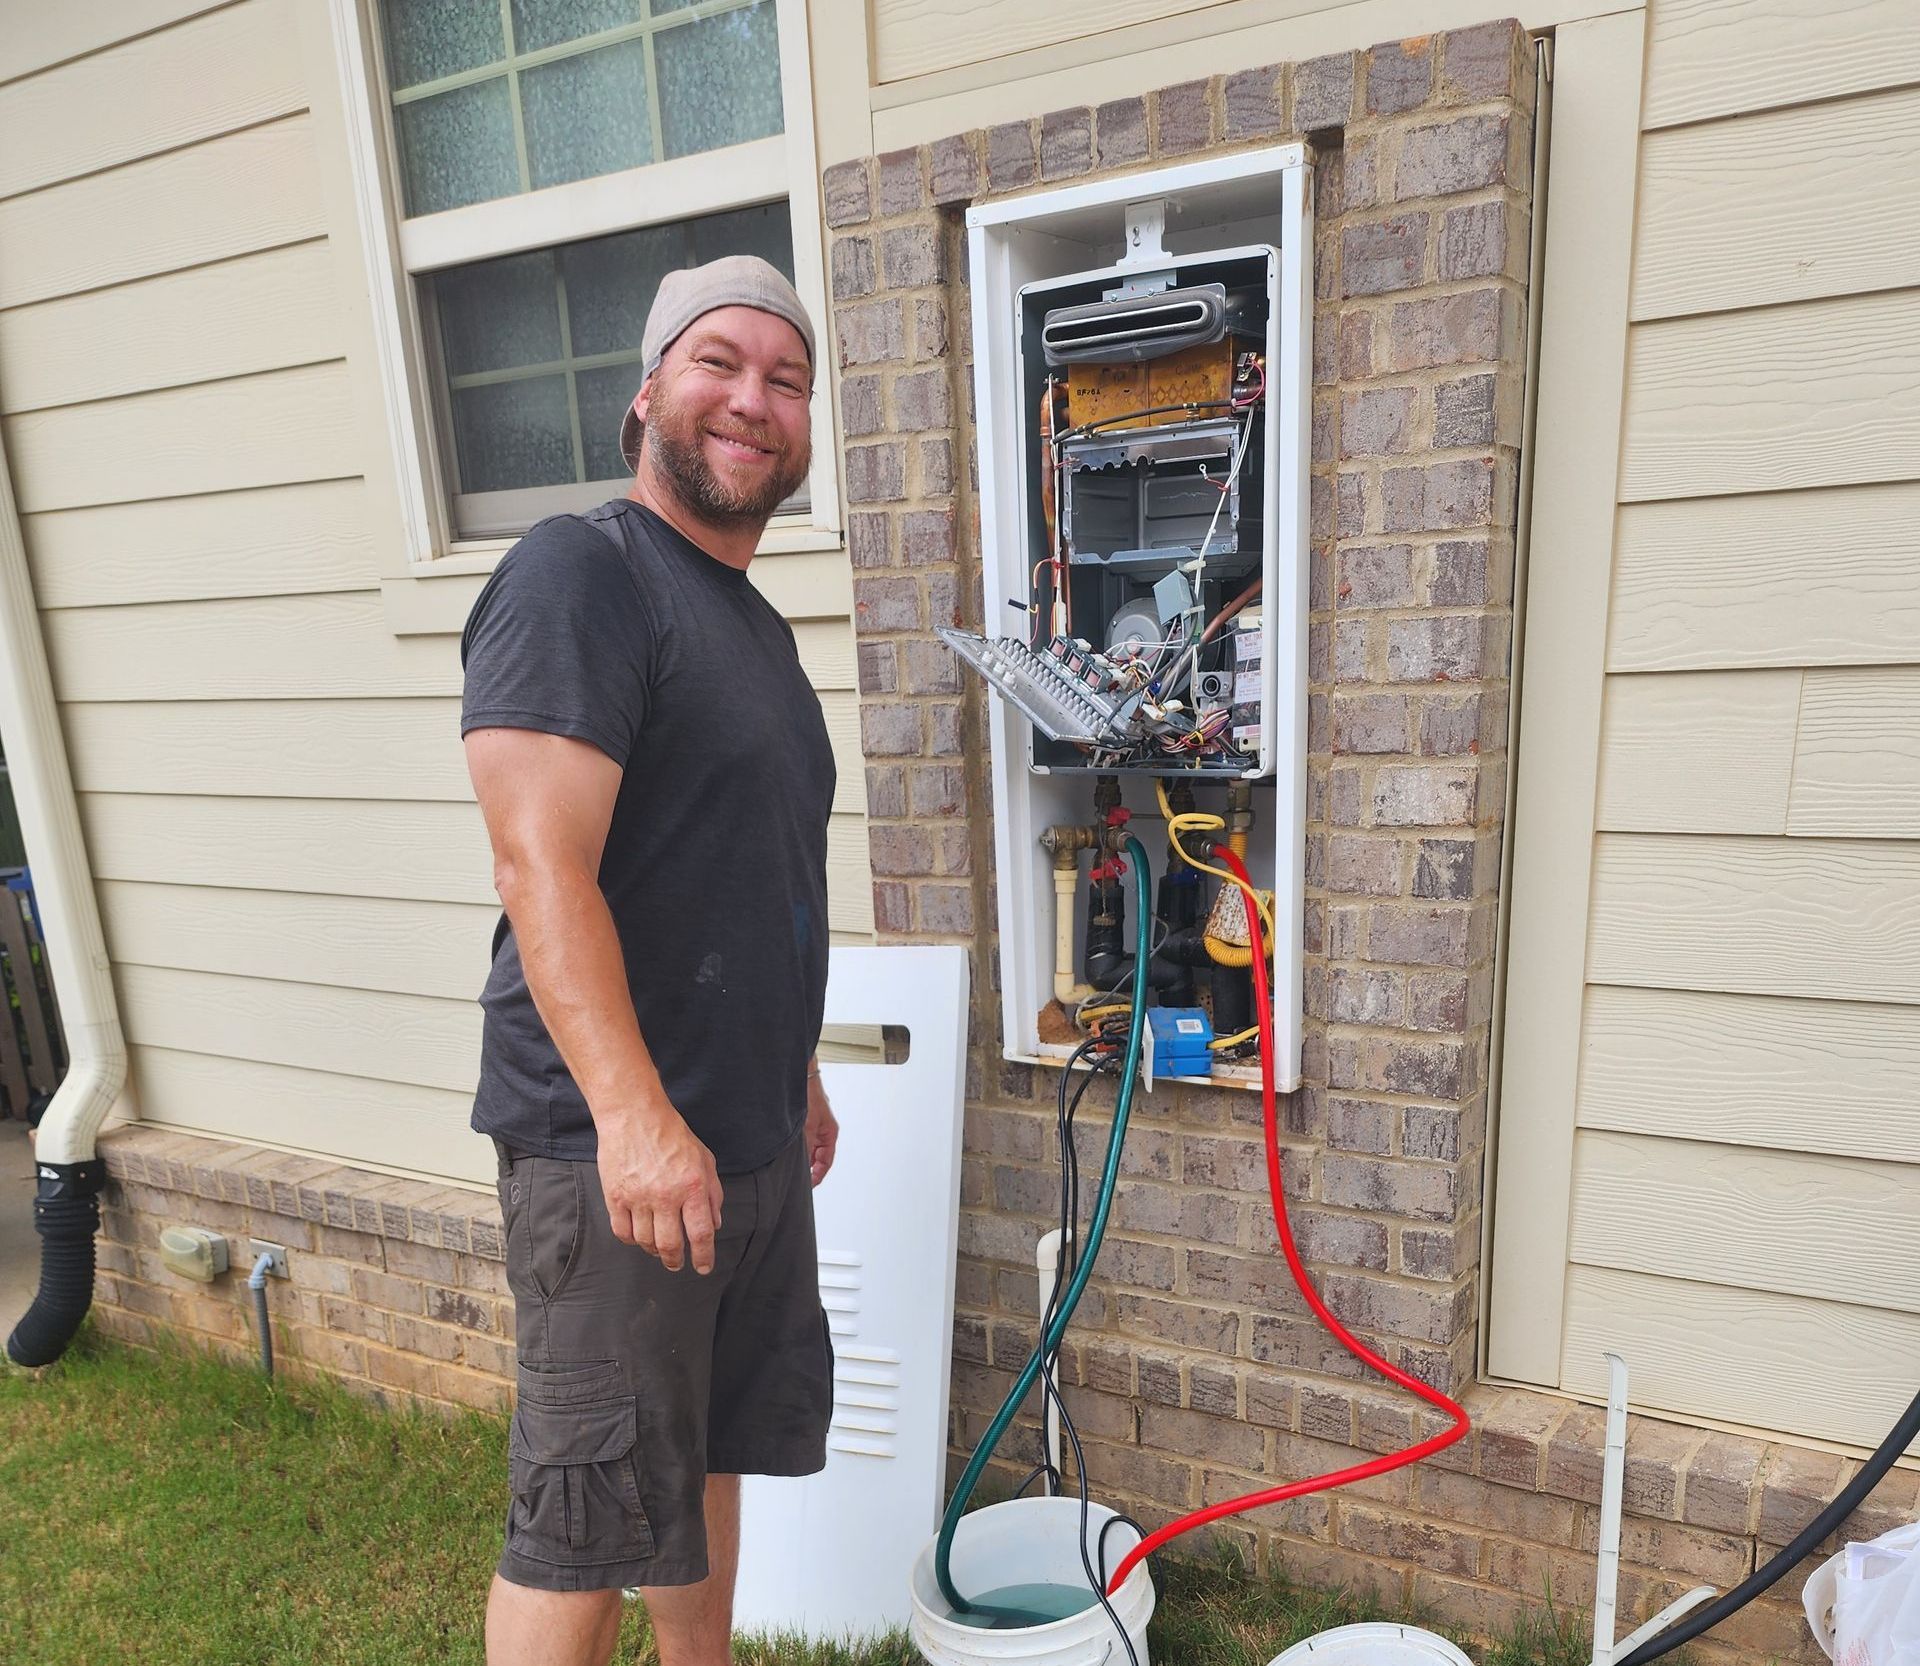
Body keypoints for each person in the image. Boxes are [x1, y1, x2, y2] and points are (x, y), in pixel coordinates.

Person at [459, 256, 840, 1666]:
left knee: (702, 1455)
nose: (754, 398)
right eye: (720, 361)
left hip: (735, 1142)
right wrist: (633, 1117)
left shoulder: (752, 629)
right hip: (612, 1151)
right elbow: (538, 861)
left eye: (786, 378)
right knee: (585, 1511)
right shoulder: (582, 572)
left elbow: (742, 871)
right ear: (647, 394)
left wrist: (790, 1075)